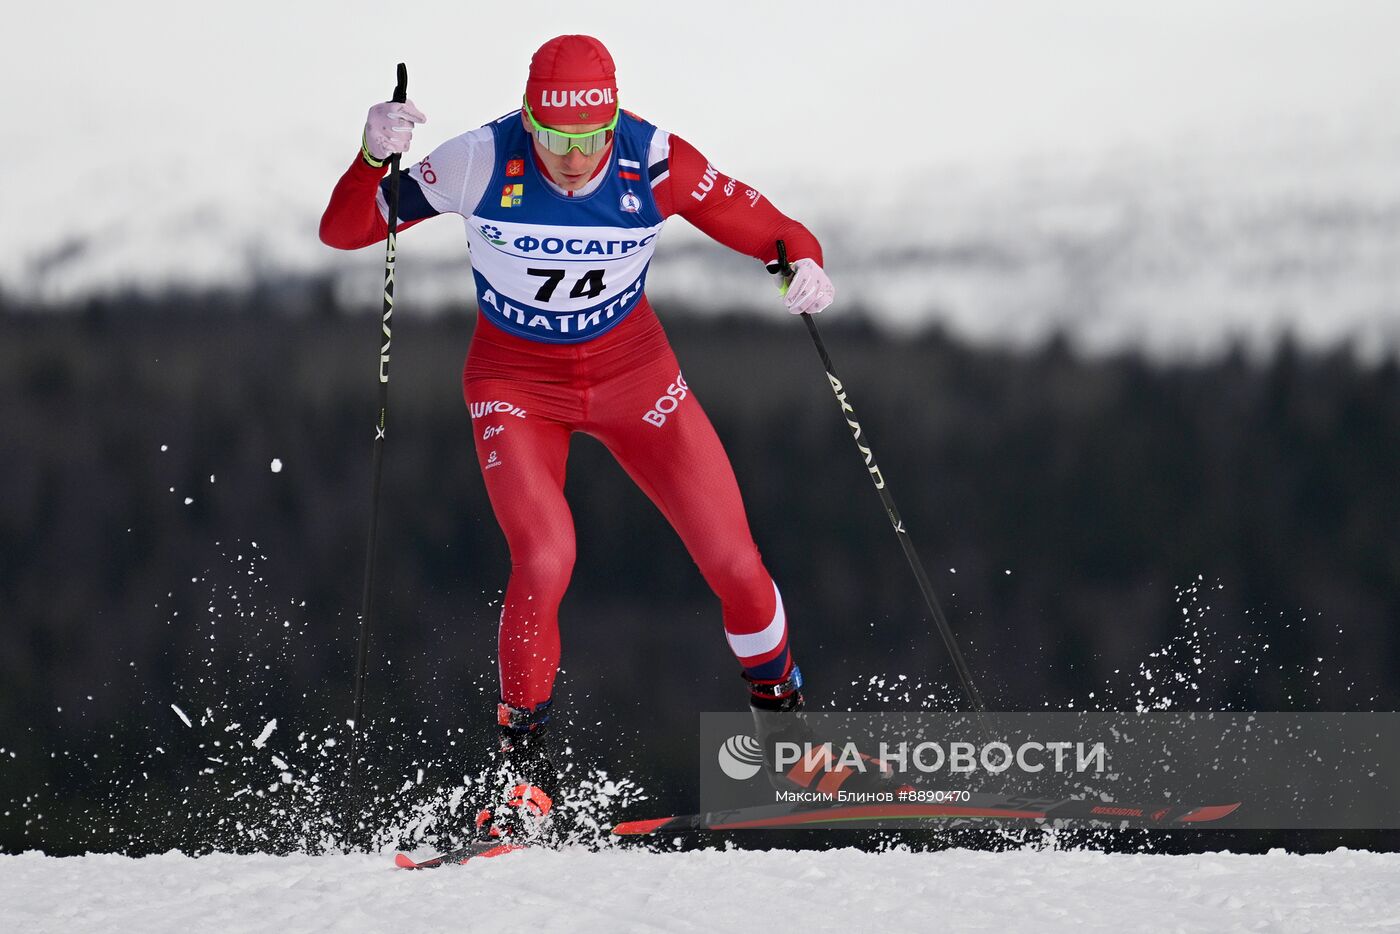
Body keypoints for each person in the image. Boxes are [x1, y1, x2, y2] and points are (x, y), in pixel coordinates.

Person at [320, 34, 838, 838]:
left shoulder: (655, 161)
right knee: (545, 556)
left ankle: (787, 736)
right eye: (555, 138)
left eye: (591, 138)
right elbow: (346, 229)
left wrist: (801, 264)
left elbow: (769, 227)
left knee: (735, 562)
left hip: (633, 374)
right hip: (516, 384)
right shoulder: (481, 158)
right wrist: (369, 157)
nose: (572, 158)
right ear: (528, 121)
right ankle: (524, 780)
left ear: (613, 121)